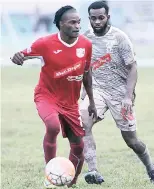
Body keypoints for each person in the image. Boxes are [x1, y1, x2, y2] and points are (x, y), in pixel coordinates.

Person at [10, 5, 97, 188]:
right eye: (72, 22)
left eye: (79, 22)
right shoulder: (45, 43)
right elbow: (21, 55)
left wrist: (92, 102)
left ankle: (69, 182)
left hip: (71, 103)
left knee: (79, 148)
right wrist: (17, 57)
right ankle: (50, 176)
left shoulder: (86, 45)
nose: (77, 26)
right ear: (60, 24)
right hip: (46, 96)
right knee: (52, 126)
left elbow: (87, 75)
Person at [80, 1, 154, 185]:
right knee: (82, 121)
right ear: (89, 19)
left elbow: (133, 67)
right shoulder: (85, 39)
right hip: (98, 90)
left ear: (108, 17)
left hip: (120, 93)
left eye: (101, 18)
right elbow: (86, 67)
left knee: (132, 141)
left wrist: (127, 96)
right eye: (93, 18)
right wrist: (85, 90)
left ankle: (151, 168)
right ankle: (93, 171)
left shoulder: (120, 38)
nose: (97, 22)